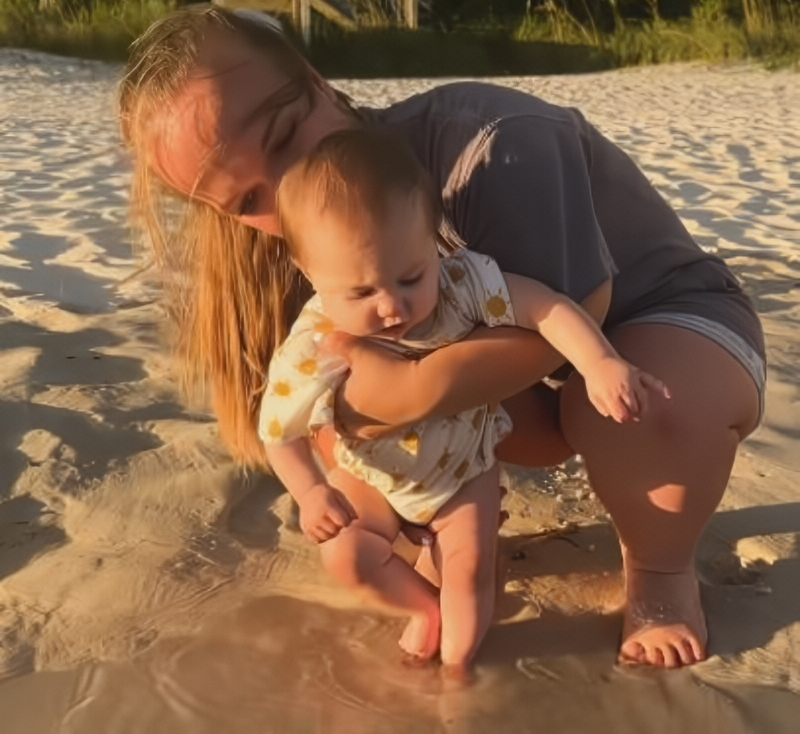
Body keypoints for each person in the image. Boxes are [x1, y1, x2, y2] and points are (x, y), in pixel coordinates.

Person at [118, 6, 765, 668]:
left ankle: (660, 570)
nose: (287, 188)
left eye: (286, 135)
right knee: (332, 400)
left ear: (316, 79)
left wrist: (403, 394)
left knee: (652, 414)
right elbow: (302, 401)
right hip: (516, 388)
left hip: (646, 327)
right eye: (250, 200)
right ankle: (434, 526)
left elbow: (575, 307)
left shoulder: (491, 143)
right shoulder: (308, 233)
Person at [260, 128, 669, 670]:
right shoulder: (313, 343)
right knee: (346, 556)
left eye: (411, 277)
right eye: (360, 292)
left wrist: (599, 363)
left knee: (470, 569)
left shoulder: (462, 284)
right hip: (373, 476)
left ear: (432, 241)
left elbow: (544, 306)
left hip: (465, 468)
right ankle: (425, 610)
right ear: (310, 273)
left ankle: (458, 670)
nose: (392, 306)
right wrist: (311, 491)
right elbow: (278, 430)